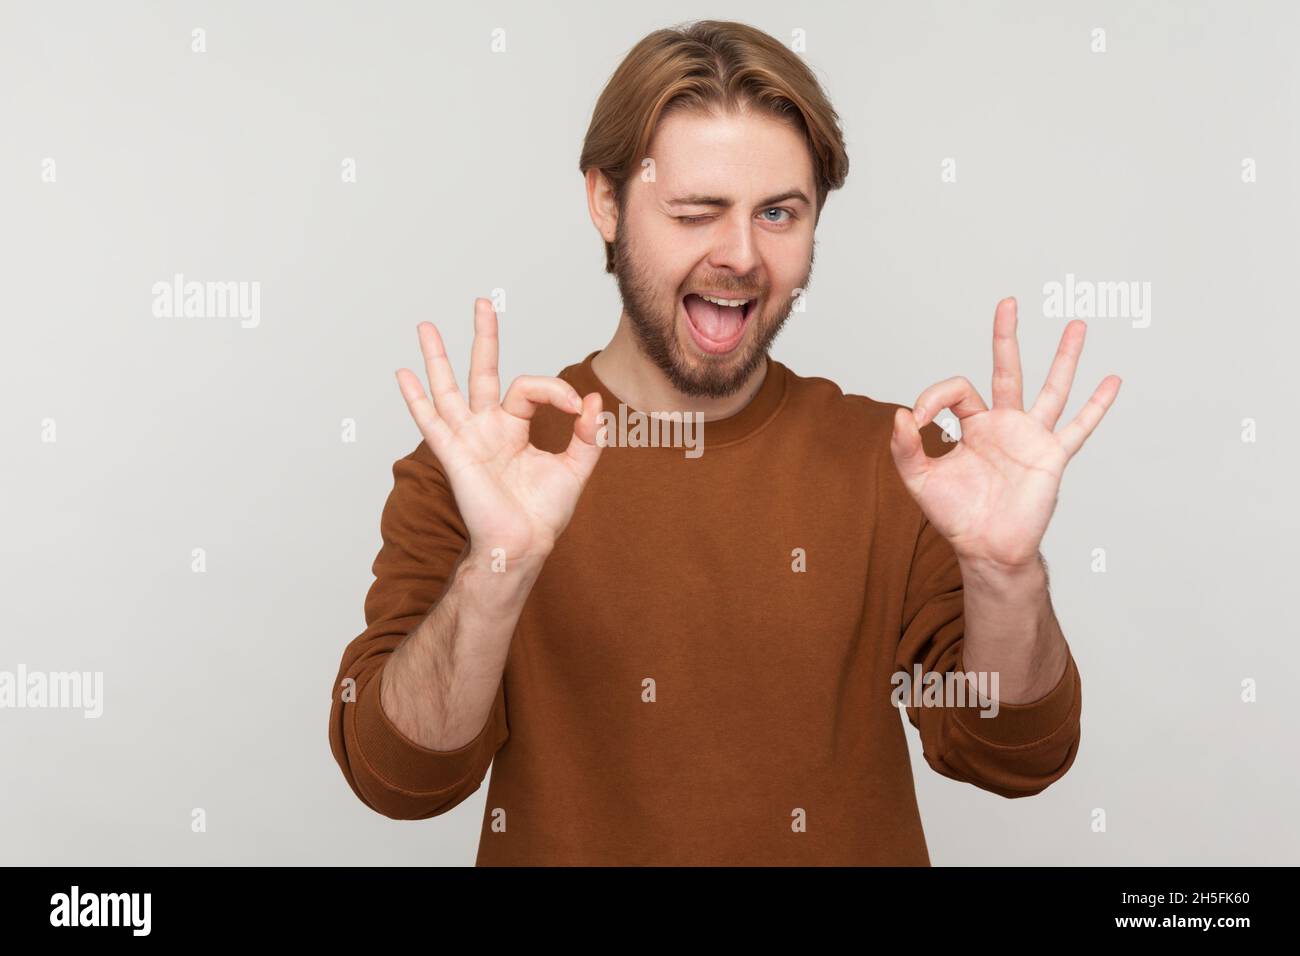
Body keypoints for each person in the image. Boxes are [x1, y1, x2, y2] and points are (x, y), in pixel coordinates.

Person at [328, 19, 1120, 866]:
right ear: (605, 200)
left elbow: (1013, 754)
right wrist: (500, 569)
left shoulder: (905, 463)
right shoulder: (484, 467)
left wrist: (1005, 575)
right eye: (696, 211)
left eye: (778, 212)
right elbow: (399, 777)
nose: (740, 255)